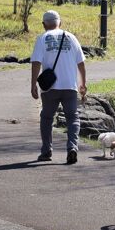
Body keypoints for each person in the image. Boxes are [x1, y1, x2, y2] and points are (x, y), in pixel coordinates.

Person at [30, 10, 87, 164]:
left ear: (44, 25)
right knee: (73, 117)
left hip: (50, 88)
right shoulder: (71, 37)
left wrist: (33, 84)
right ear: (60, 23)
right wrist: (83, 83)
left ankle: (47, 151)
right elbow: (81, 63)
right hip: (70, 86)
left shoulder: (42, 38)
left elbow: (36, 62)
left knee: (47, 117)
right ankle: (72, 147)